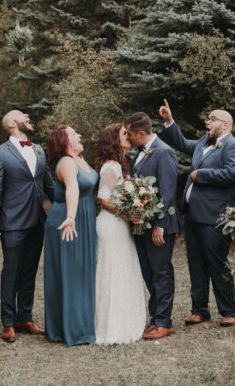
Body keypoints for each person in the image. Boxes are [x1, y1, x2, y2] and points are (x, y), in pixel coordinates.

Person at [159, 100, 235, 328]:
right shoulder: (203, 143)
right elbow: (182, 143)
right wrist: (169, 121)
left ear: (225, 125)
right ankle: (199, 310)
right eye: (208, 118)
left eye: (212, 118)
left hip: (216, 215)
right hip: (194, 215)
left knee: (217, 264)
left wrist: (201, 175)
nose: (207, 121)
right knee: (196, 264)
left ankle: (229, 311)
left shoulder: (232, 145)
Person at [0, 110, 55, 343]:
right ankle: (8, 321)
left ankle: (24, 317)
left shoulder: (38, 149)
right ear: (13, 124)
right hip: (13, 221)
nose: (27, 115)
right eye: (21, 114)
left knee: (30, 271)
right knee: (11, 271)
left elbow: (48, 184)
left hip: (37, 220)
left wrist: (74, 203)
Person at [125, 111, 179, 339]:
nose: (127, 138)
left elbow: (167, 193)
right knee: (149, 273)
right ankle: (155, 316)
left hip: (160, 227)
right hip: (142, 225)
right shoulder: (139, 153)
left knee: (161, 272)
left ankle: (164, 322)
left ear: (140, 133)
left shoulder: (164, 153)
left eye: (129, 134)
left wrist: (160, 225)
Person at [43, 125, 98, 346]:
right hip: (66, 221)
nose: (80, 135)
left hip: (82, 219)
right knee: (70, 273)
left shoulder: (80, 159)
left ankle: (82, 323)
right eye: (74, 134)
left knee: (82, 271)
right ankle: (70, 329)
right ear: (64, 141)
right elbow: (72, 189)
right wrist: (72, 217)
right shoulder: (66, 162)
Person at [93, 123, 146, 345]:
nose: (129, 136)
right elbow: (103, 199)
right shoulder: (111, 166)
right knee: (113, 271)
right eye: (125, 133)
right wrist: (127, 215)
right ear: (114, 139)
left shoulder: (121, 165)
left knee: (122, 269)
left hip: (119, 224)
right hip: (111, 225)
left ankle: (123, 322)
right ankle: (110, 327)